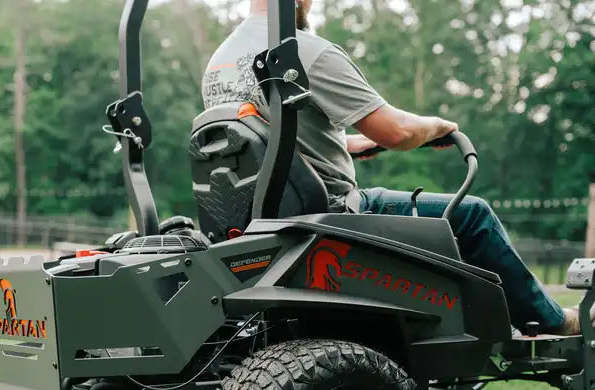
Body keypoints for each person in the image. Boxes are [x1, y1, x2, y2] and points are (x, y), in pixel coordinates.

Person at [202, 0, 585, 335]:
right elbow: (398, 131)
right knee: (472, 216)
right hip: (332, 214)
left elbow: (264, 142)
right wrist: (437, 125)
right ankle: (552, 321)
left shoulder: (217, 65)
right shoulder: (303, 52)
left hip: (257, 223)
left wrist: (349, 144)